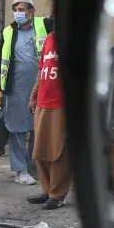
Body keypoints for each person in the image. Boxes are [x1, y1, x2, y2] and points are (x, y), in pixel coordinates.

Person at [0, 0, 47, 186]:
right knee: (17, 129)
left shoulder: (42, 26)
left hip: (40, 86)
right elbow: (2, 60)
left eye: (22, 9)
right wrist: (1, 88)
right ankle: (20, 170)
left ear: (31, 11)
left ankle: (35, 167)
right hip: (16, 88)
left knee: (39, 128)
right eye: (16, 9)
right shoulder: (9, 32)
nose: (19, 13)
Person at [26, 20, 68, 210]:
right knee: (41, 150)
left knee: (58, 151)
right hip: (43, 102)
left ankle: (57, 194)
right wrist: (34, 95)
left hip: (62, 105)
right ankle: (46, 190)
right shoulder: (50, 39)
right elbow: (42, 70)